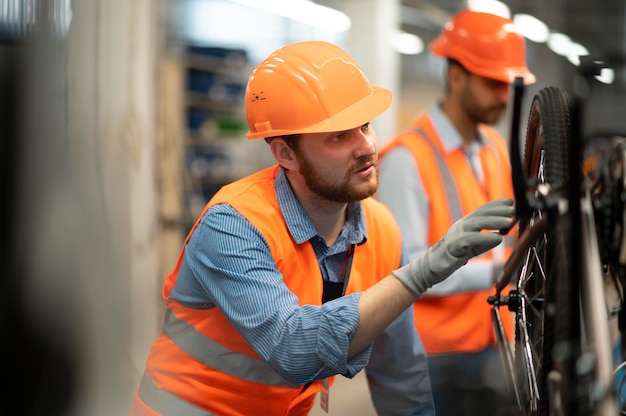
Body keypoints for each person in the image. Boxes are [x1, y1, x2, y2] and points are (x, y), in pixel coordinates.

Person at [128, 40, 515, 416]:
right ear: (285, 153)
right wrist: (420, 273)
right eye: (338, 136)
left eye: (364, 126)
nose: (365, 146)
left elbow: (399, 371)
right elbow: (293, 348)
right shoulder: (233, 225)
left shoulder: (380, 228)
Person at [376, 10, 535, 416]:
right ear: (457, 76)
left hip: (495, 342)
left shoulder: (496, 148)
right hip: (432, 358)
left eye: (508, 84)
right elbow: (405, 272)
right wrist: (503, 271)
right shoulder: (406, 159)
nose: (504, 96)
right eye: (492, 82)